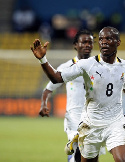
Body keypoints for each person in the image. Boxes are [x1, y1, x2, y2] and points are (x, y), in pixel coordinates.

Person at [30, 26, 125, 162]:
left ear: (118, 42)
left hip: (115, 122)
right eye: (101, 39)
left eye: (108, 38)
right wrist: (43, 60)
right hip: (91, 125)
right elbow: (56, 78)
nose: (104, 42)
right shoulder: (87, 64)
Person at [39, 29, 94, 162]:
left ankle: (72, 156)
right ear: (75, 45)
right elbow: (48, 89)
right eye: (84, 42)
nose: (87, 45)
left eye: (90, 42)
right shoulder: (66, 67)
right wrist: (43, 104)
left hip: (93, 116)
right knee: (80, 150)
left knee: (90, 157)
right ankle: (73, 150)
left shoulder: (98, 66)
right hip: (73, 116)